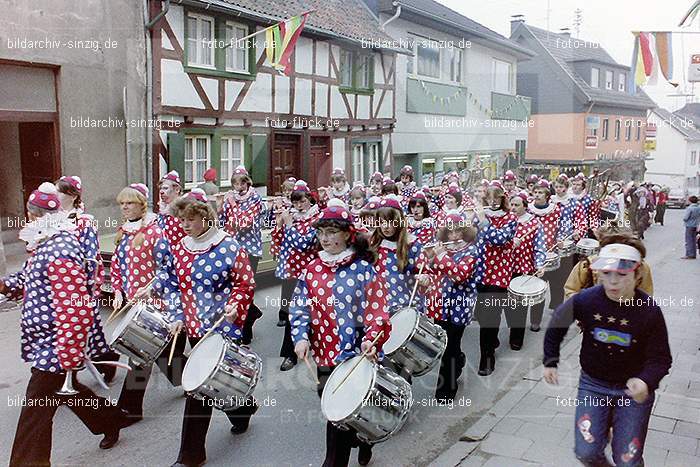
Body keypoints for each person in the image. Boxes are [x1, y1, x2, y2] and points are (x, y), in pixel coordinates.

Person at [2, 183, 127, 465]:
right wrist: (2, 284)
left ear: (36, 215)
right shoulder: (44, 242)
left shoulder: (60, 249)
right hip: (47, 341)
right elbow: (26, 280)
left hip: (55, 344)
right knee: (63, 391)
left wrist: (67, 353)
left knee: (35, 410)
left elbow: (76, 308)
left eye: (30, 214)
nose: (28, 219)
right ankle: (111, 420)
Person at [543, 241, 672, 467]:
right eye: (606, 273)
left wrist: (646, 381)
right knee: (586, 451)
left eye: (622, 274)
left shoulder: (649, 311)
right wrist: (550, 360)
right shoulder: (586, 299)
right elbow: (557, 324)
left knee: (628, 460)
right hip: (593, 384)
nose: (613, 281)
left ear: (637, 273)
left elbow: (661, 358)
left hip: (632, 394)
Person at [290, 204, 391, 467]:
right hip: (324, 355)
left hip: (356, 355)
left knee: (341, 417)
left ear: (347, 234)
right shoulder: (312, 269)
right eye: (321, 232)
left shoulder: (363, 269)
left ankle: (345, 453)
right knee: (334, 407)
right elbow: (300, 306)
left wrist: (372, 339)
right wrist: (300, 337)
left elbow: (377, 310)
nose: (324, 238)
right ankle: (361, 435)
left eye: (331, 231)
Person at [111, 183, 179, 425]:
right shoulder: (123, 232)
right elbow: (117, 266)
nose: (125, 207)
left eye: (129, 203)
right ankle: (183, 377)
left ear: (142, 204)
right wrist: (117, 290)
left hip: (156, 302)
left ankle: (129, 409)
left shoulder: (154, 232)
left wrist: (152, 287)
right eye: (122, 204)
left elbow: (167, 268)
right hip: (133, 302)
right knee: (162, 351)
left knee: (140, 352)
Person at [55, 175, 120, 382]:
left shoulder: (85, 221)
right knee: (68, 331)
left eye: (61, 191)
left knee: (84, 330)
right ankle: (67, 372)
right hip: (57, 286)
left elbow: (90, 257)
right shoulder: (52, 219)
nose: (56, 195)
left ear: (73, 196)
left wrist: (85, 287)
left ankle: (102, 361)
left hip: (78, 285)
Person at [419, 213, 479, 401]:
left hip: (459, 307)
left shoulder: (471, 251)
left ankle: (446, 391)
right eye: (450, 232)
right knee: (445, 345)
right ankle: (459, 359)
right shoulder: (441, 248)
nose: (453, 236)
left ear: (465, 231)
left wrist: (442, 256)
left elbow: (459, 275)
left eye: (458, 231)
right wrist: (427, 260)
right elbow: (429, 270)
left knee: (450, 346)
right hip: (439, 305)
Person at [270, 180, 320, 371]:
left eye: (302, 201)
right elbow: (281, 240)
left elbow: (303, 244)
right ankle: (289, 354)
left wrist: (289, 225)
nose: (299, 205)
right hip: (292, 270)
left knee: (318, 311)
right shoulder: (292, 215)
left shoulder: (316, 218)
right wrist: (279, 223)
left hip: (312, 272)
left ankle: (319, 346)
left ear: (310, 199)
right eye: (295, 201)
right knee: (294, 312)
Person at [473, 182, 518, 376]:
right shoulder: (479, 216)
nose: (492, 202)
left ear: (502, 199)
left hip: (499, 272)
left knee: (490, 316)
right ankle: (492, 341)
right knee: (482, 315)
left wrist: (483, 221)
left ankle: (487, 358)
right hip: (481, 270)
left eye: (496, 198)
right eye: (488, 198)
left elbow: (498, 239)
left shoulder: (510, 218)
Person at [219, 166, 265, 344]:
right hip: (232, 249)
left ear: (246, 182)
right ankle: (251, 313)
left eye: (239, 182)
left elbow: (244, 223)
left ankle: (245, 331)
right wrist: (221, 205)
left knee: (246, 290)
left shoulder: (255, 198)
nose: (236, 186)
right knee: (232, 290)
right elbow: (222, 221)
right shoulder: (230, 198)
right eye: (234, 183)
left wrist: (230, 204)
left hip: (250, 250)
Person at [370, 196, 424, 313]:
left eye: (390, 222)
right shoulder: (374, 244)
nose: (385, 226)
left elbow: (424, 272)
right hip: (378, 309)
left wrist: (425, 278)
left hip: (405, 308)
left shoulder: (413, 245)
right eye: (381, 222)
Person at [564, 230, 654, 299]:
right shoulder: (587, 265)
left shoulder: (640, 267)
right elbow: (570, 291)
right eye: (606, 272)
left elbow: (646, 297)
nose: (613, 281)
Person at [509, 191, 546, 347]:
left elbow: (540, 247)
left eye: (516, 205)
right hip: (505, 269)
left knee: (520, 306)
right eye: (511, 204)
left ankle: (516, 340)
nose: (513, 208)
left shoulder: (534, 223)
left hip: (525, 268)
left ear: (525, 206)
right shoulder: (505, 222)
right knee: (508, 305)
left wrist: (539, 264)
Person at [157, 171, 187, 247]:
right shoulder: (161, 213)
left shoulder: (183, 210)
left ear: (177, 190)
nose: (161, 192)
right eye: (160, 189)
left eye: (165, 188)